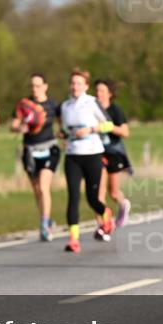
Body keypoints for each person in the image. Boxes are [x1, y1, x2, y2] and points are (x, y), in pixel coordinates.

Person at [58, 68, 115, 253]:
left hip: (92, 154)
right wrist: (64, 133)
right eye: (73, 83)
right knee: (73, 197)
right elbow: (66, 129)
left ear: (86, 86)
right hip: (73, 155)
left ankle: (106, 214)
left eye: (79, 83)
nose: (75, 86)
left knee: (92, 198)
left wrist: (90, 130)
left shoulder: (92, 102)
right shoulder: (65, 106)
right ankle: (73, 239)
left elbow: (109, 124)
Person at [11, 73, 60, 241]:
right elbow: (14, 125)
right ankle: (47, 218)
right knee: (37, 190)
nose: (35, 89)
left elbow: (62, 123)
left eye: (38, 85)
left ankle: (44, 225)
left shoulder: (53, 104)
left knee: (44, 186)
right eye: (32, 86)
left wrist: (64, 134)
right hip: (29, 151)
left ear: (45, 86)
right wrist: (19, 128)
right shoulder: (24, 104)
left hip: (49, 148)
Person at [94, 79, 133, 227]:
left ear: (109, 94)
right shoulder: (92, 109)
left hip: (114, 152)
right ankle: (102, 224)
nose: (99, 94)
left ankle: (123, 205)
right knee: (99, 191)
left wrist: (109, 127)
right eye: (97, 91)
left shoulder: (115, 110)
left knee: (114, 192)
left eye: (102, 91)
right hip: (97, 152)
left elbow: (125, 132)